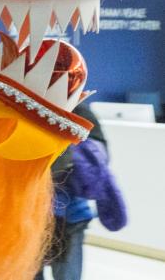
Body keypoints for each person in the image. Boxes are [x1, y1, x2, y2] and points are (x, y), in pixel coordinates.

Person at [35, 104, 126, 280]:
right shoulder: (34, 108)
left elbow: (96, 161)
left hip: (66, 217)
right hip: (39, 215)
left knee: (65, 273)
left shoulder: (79, 113)